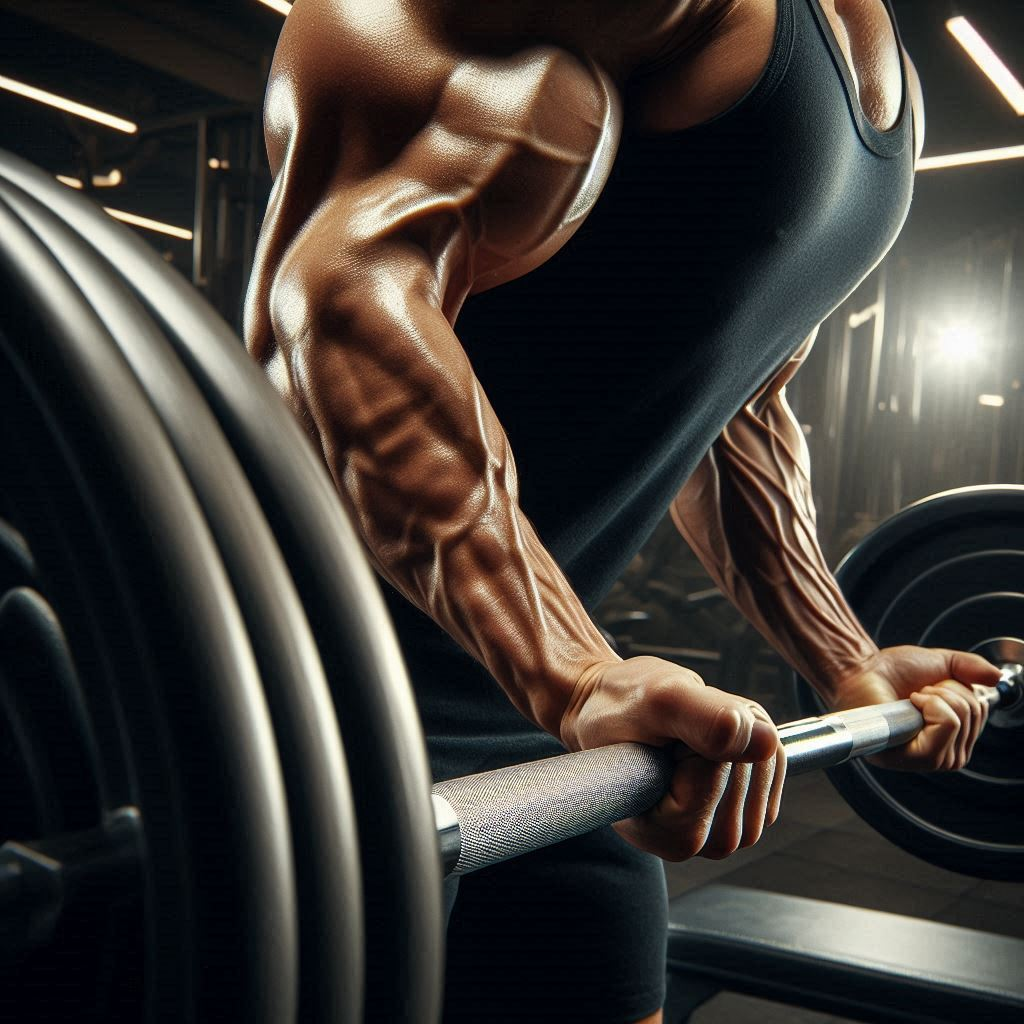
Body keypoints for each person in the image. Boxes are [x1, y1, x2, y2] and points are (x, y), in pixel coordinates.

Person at [244, 1, 999, 1020]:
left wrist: (842, 654)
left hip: (546, 738)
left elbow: (735, 399)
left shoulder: (876, 74)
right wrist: (576, 671)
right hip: (289, 704)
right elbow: (337, 299)